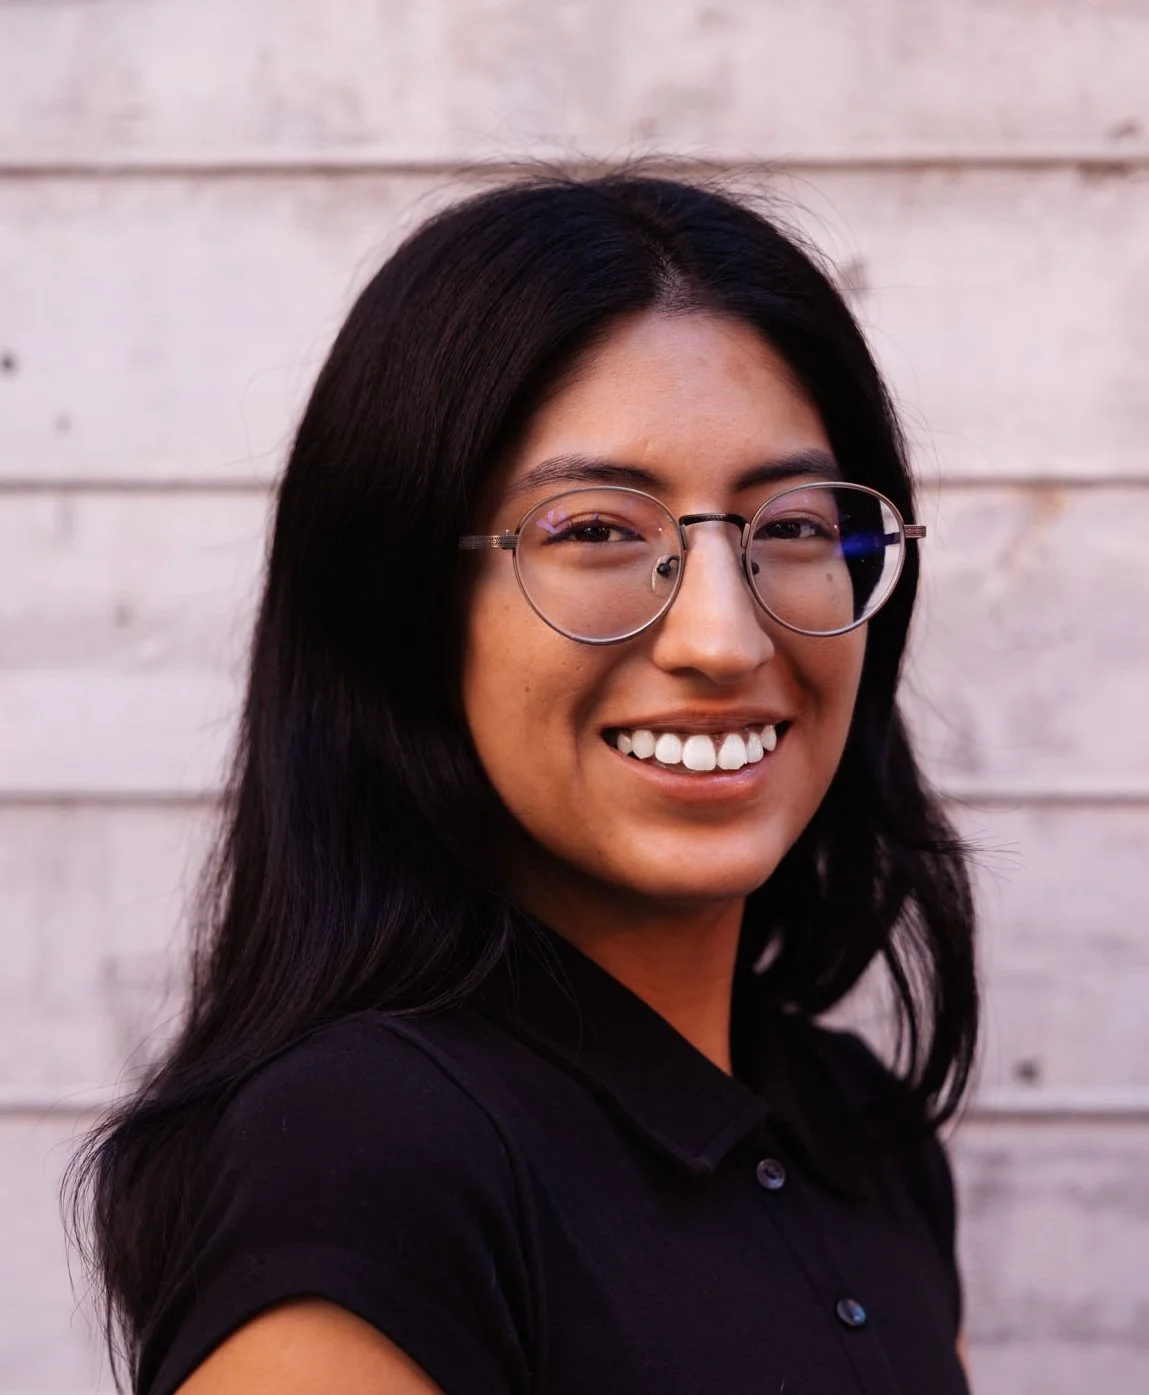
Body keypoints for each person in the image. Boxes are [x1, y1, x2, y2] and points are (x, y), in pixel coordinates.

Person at [70, 170, 978, 1395]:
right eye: (596, 531)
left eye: (794, 526)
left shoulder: (860, 1128)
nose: (723, 638)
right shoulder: (362, 1159)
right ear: (404, 605)